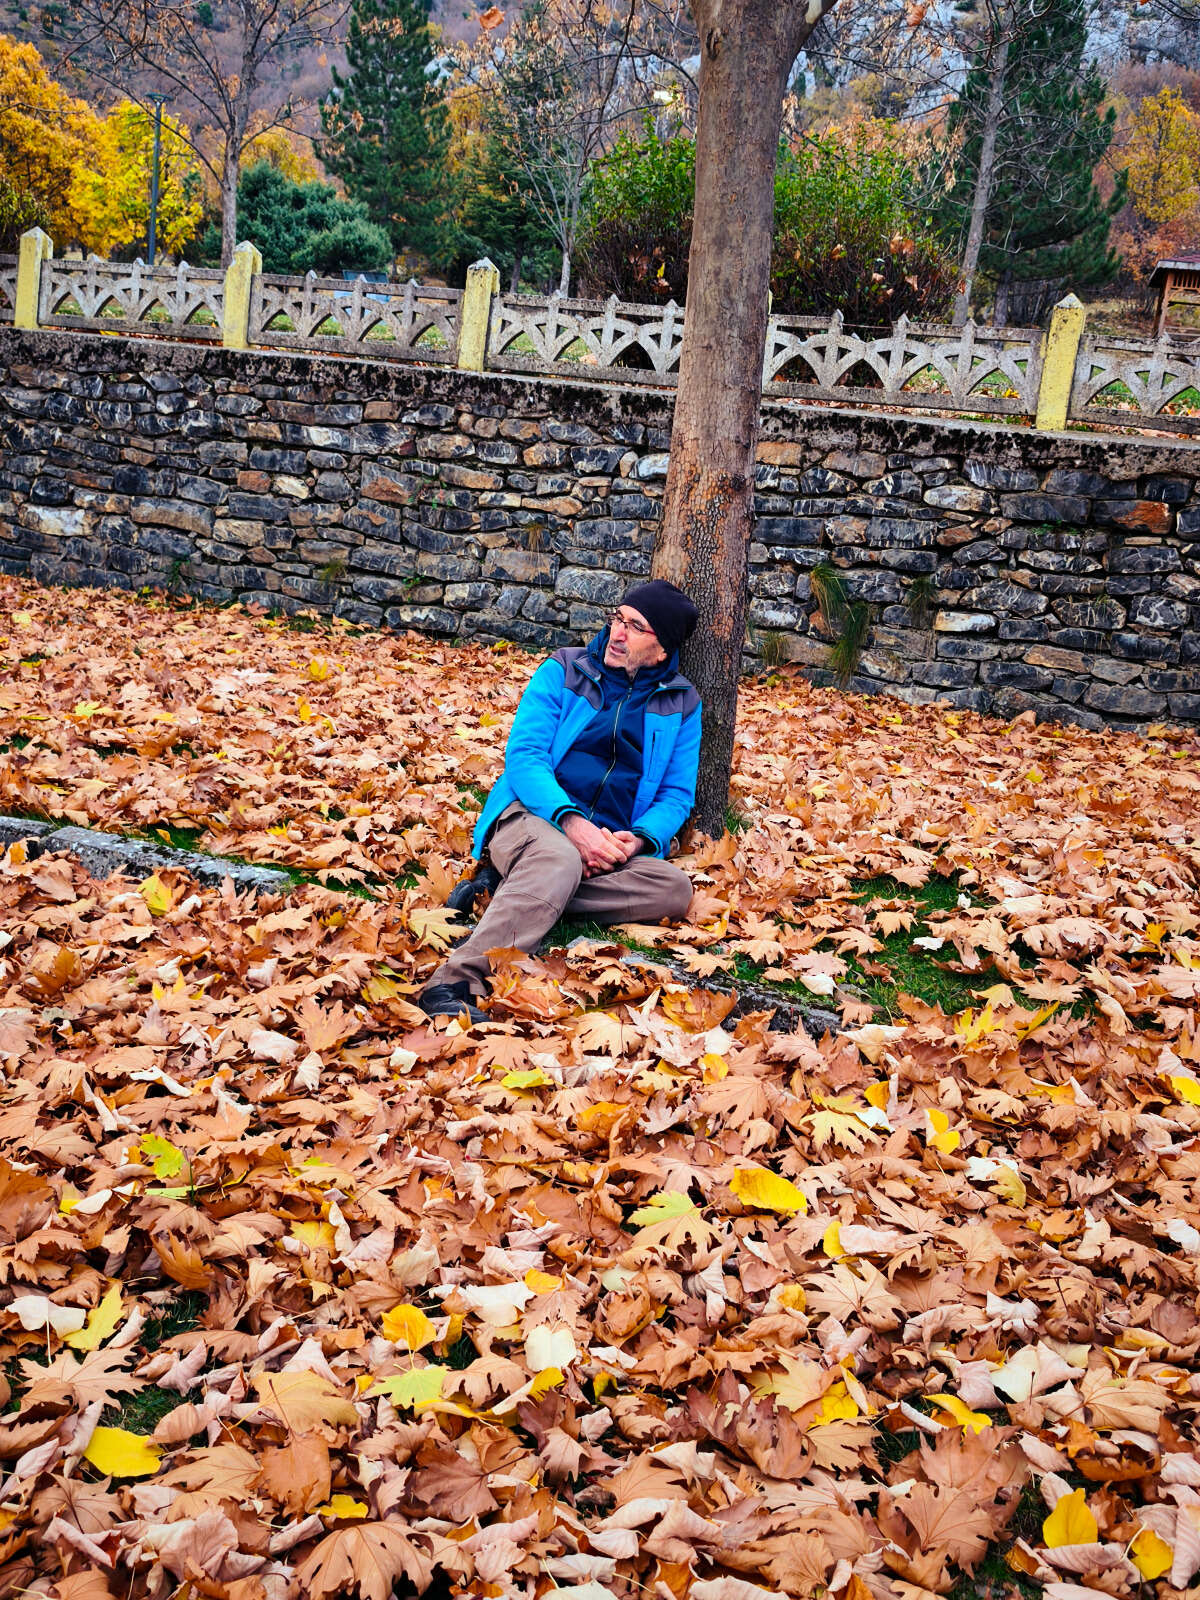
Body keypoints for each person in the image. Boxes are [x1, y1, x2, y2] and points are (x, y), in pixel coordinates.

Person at [420, 579, 702, 1023]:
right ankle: (456, 981)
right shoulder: (564, 670)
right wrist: (572, 825)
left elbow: (675, 794)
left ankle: (506, 888)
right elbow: (525, 758)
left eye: (635, 626)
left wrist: (638, 841)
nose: (617, 633)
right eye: (617, 618)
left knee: (673, 889)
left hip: (606, 843)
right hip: (532, 815)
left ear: (662, 648)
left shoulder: (682, 703)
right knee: (559, 859)